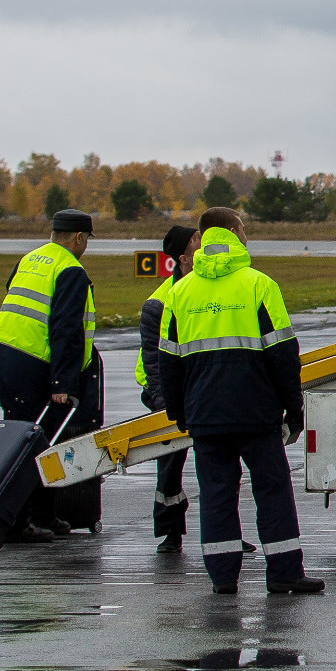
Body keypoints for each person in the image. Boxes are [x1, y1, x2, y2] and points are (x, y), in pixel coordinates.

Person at [160, 207, 321, 595]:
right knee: (272, 491)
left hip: (205, 415)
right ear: (232, 232)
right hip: (256, 413)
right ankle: (284, 573)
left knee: (216, 496)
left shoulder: (179, 292)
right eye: (244, 228)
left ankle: (222, 578)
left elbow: (169, 360)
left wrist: (178, 411)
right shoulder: (259, 285)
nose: (247, 234)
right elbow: (283, 353)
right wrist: (294, 407)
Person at [0, 209, 104, 534]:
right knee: (39, 447)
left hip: (5, 360)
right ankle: (19, 521)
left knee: (27, 442)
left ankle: (40, 515)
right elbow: (65, 331)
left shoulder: (31, 259)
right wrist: (63, 383)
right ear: (79, 238)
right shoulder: (70, 269)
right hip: (34, 367)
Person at [135, 222, 197, 552]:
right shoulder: (159, 303)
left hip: (199, 389)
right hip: (167, 393)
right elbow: (154, 364)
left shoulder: (203, 291)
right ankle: (170, 530)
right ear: (184, 257)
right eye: (197, 242)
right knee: (170, 464)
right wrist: (165, 405)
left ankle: (227, 530)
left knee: (219, 464)